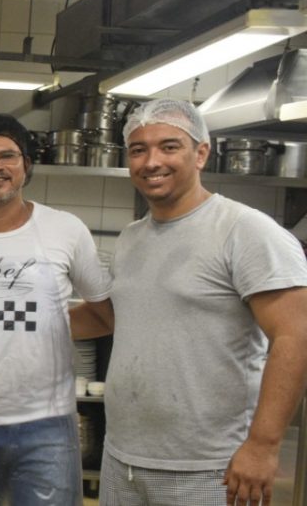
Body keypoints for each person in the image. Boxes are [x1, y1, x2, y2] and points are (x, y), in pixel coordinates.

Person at [72, 98, 307, 506]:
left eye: (169, 146)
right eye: (138, 149)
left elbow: (297, 334)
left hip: (211, 467)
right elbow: (116, 317)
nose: (151, 161)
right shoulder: (132, 237)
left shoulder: (244, 231)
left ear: (201, 153)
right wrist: (11, 325)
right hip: (123, 458)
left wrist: (263, 444)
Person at [0, 114, 112, 505]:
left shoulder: (66, 229)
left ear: (26, 165)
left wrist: (45, 322)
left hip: (47, 427)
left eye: (7, 156)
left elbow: (102, 312)